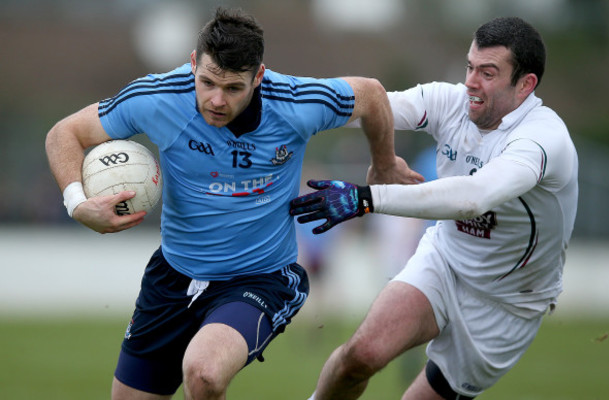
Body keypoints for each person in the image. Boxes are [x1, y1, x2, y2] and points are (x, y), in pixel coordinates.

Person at [45, 7, 423, 400]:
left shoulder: (296, 102)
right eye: (206, 82)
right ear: (193, 64)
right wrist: (77, 203)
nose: (217, 100)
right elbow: (64, 133)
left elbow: (372, 94)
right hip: (173, 277)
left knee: (204, 373)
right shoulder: (159, 98)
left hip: (259, 279)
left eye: (233, 88)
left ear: (258, 77)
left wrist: (383, 164)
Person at [291, 16, 578, 400]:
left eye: (488, 73)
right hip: (444, 262)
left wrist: (364, 199)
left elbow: (474, 197)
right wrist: (277, 99)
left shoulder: (544, 138)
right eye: (470, 67)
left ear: (525, 84)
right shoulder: (450, 101)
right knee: (360, 355)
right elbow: (370, 105)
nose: (471, 83)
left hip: (507, 302)